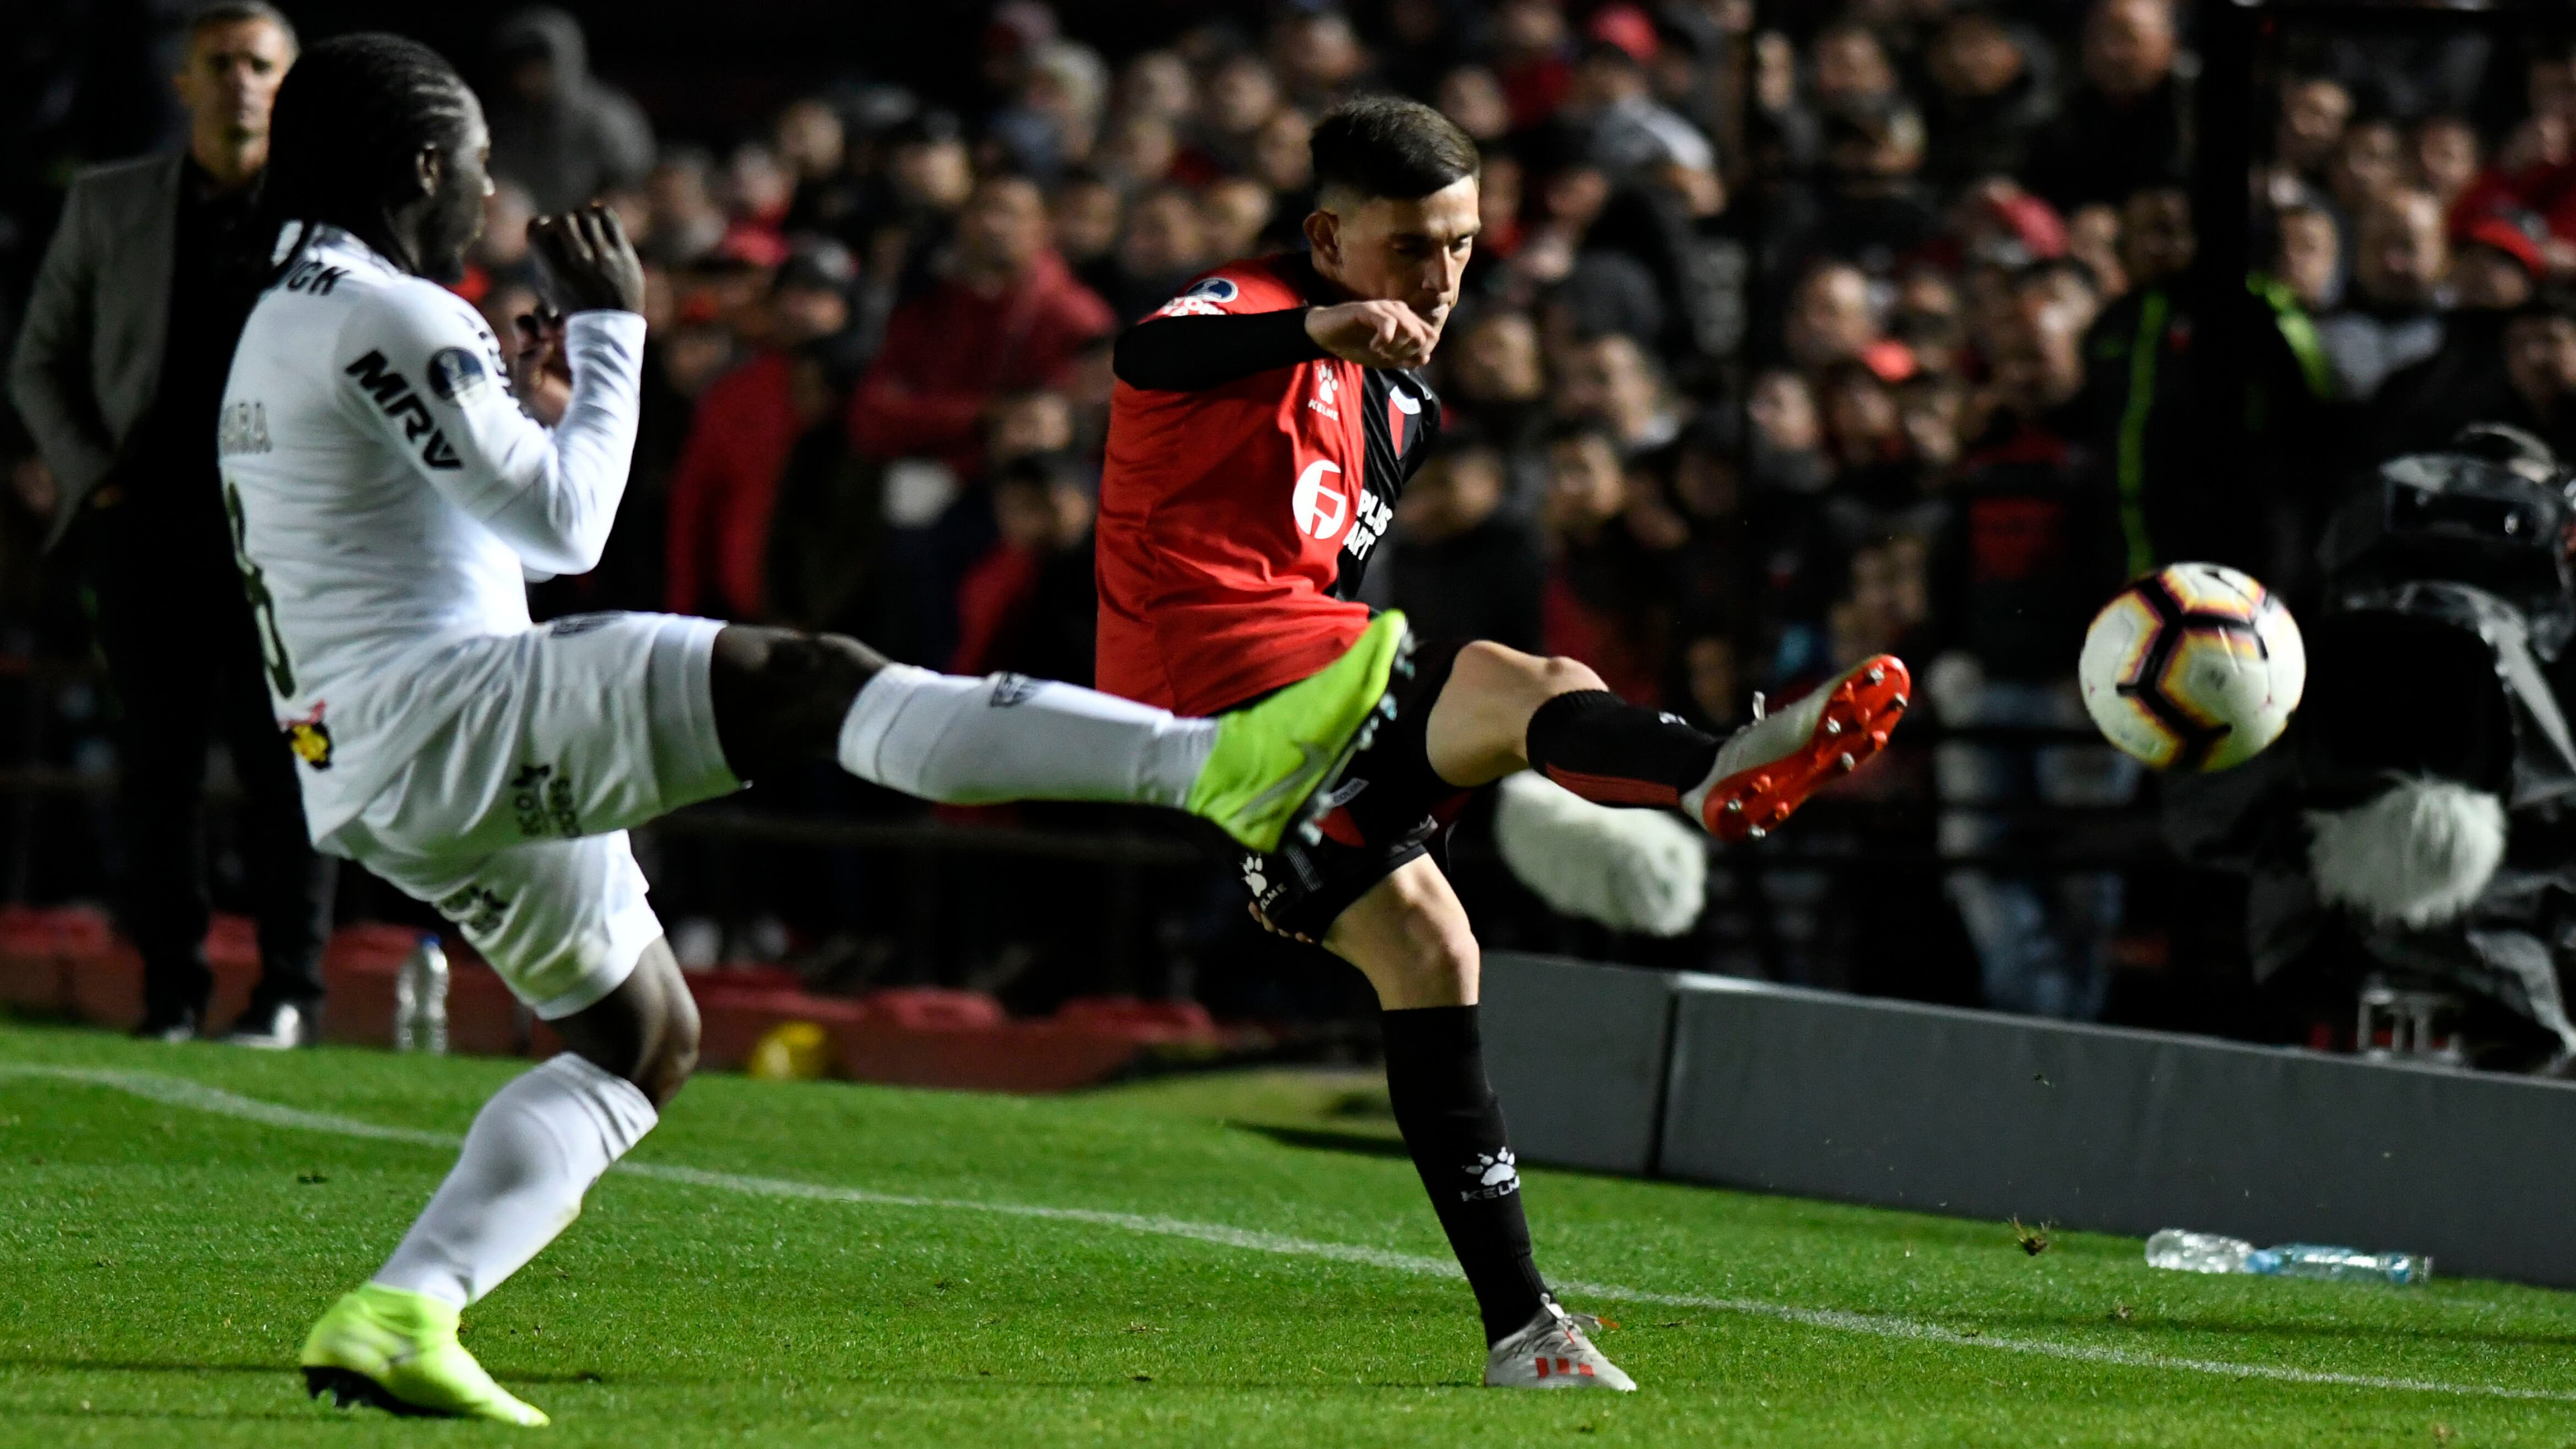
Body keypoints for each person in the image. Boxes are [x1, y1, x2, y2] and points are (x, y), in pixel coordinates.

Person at [221, 35, 1411, 1425]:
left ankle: (402, 1306)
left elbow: (472, 541)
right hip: (446, 714)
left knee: (638, 1038)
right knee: (810, 679)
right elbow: (572, 525)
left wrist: (539, 410)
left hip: (369, 758)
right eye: (479, 167)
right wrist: (613, 334)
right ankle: (1223, 768)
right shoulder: (393, 315)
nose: (492, 198)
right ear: (421, 166)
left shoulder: (291, 311)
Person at [1096, 95, 1911, 1392]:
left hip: (1303, 701)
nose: (1441, 274)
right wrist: (1315, 324)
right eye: (1411, 244)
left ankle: (1525, 1332)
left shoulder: (1400, 400)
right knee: (1495, 680)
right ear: (1324, 236)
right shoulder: (1243, 304)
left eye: (1463, 243)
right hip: (1208, 694)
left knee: (1436, 947)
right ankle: (1705, 765)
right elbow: (1146, 356)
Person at [8, 1, 337, 1047]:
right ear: (185, 81)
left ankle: (290, 990)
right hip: (147, 528)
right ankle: (171, 992)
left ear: (288, 83)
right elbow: (39, 359)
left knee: (291, 763)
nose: (240, 80)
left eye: (260, 63)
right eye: (219, 62)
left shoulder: (334, 215)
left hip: (283, 540)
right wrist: (94, 479)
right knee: (159, 771)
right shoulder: (112, 203)